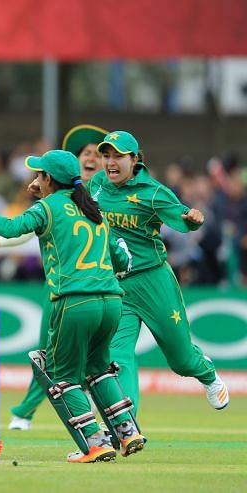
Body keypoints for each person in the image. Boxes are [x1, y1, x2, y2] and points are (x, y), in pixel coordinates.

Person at [0, 150, 145, 463]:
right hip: (111, 301)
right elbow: (122, 260)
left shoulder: (49, 207)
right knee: (98, 369)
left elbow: (12, 228)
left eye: (39, 175)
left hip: (75, 301)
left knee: (60, 374)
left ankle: (96, 442)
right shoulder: (92, 208)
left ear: (49, 179)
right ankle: (126, 432)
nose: (35, 180)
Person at [0, 124, 109, 431]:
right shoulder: (66, 198)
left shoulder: (100, 194)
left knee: (76, 364)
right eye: (86, 154)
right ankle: (30, 410)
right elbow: (30, 229)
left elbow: (20, 225)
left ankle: (92, 430)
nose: (93, 159)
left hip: (83, 289)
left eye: (97, 154)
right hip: (86, 290)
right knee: (55, 359)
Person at [88, 130, 229, 413]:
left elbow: (183, 218)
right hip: (118, 286)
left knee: (181, 361)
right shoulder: (98, 184)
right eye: (107, 156)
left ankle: (209, 376)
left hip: (153, 281)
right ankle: (127, 422)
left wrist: (193, 220)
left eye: (118, 156)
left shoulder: (152, 192)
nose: (110, 162)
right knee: (117, 357)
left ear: (135, 159)